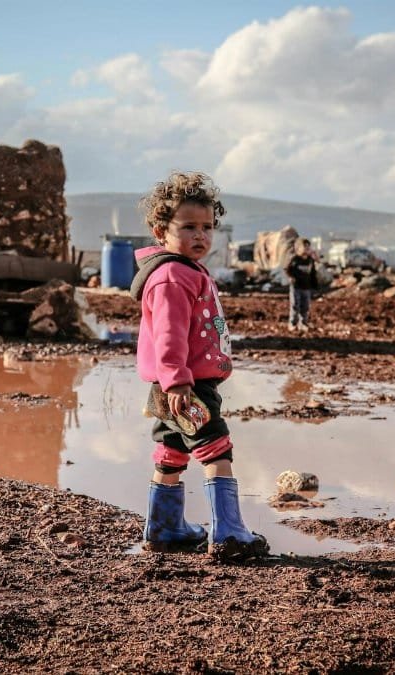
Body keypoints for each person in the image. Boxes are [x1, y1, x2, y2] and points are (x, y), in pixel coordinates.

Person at [129, 170, 269, 561]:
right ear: (161, 231)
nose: (200, 236)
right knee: (216, 448)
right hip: (186, 385)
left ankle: (164, 529)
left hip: (175, 383)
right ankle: (228, 533)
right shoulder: (172, 277)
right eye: (188, 226)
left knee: (172, 448)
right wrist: (177, 382)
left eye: (207, 227)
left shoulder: (187, 271)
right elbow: (169, 335)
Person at [285, 238, 319, 332]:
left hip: (306, 287)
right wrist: (290, 277)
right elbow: (286, 269)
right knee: (295, 305)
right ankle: (292, 323)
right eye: (304, 247)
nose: (306, 249)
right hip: (296, 287)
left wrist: (315, 285)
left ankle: (303, 323)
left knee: (306, 306)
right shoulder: (295, 259)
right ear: (298, 249)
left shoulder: (310, 260)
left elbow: (313, 272)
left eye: (308, 247)